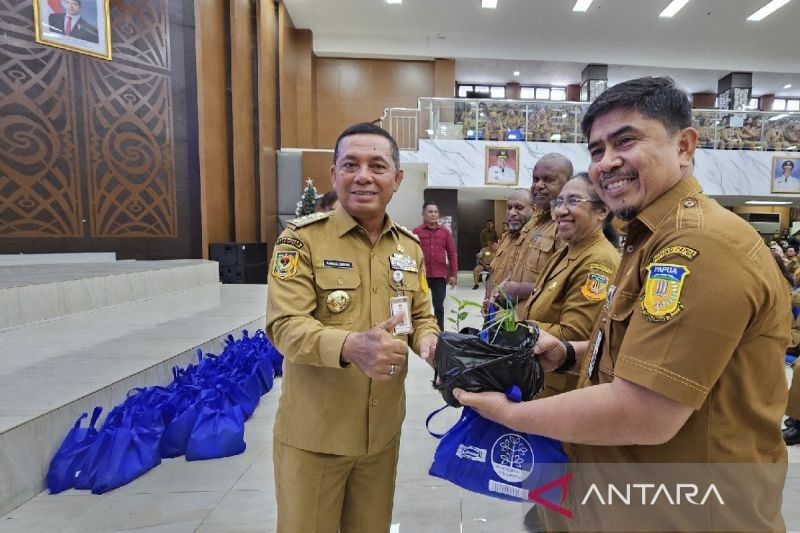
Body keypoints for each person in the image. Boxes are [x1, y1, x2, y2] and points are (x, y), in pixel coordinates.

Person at [455, 77, 790, 531]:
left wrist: (510, 416)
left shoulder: (698, 246)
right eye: (596, 150)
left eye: (626, 140)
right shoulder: (647, 240)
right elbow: (637, 356)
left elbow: (646, 413)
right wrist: (570, 353)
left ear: (685, 146)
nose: (608, 162)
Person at [265, 122, 439, 533]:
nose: (363, 175)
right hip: (317, 436)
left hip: (380, 436)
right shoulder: (301, 240)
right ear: (334, 174)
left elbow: (421, 317)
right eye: (351, 165)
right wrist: (351, 346)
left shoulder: (408, 247)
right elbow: (284, 325)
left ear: (396, 179)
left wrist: (430, 344)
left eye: (377, 166)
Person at [490, 153, 572, 318]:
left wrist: (519, 289)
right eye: (535, 179)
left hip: (541, 331)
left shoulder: (566, 226)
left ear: (568, 185)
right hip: (515, 321)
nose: (539, 185)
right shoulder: (534, 223)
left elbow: (565, 286)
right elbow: (517, 268)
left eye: (548, 180)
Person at [484, 189, 533, 316]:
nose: (512, 213)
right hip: (493, 312)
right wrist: (486, 298)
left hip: (515, 318)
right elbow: (492, 272)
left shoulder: (536, 241)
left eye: (519, 207)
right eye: (509, 207)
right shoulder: (504, 238)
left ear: (534, 209)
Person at [413, 203, 457, 330]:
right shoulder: (417, 232)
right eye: (430, 211)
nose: (433, 214)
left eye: (436, 212)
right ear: (423, 214)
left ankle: (440, 333)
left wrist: (453, 274)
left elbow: (452, 252)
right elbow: (412, 253)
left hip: (439, 276)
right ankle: (421, 331)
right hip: (422, 276)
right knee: (420, 305)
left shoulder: (444, 232)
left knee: (439, 306)